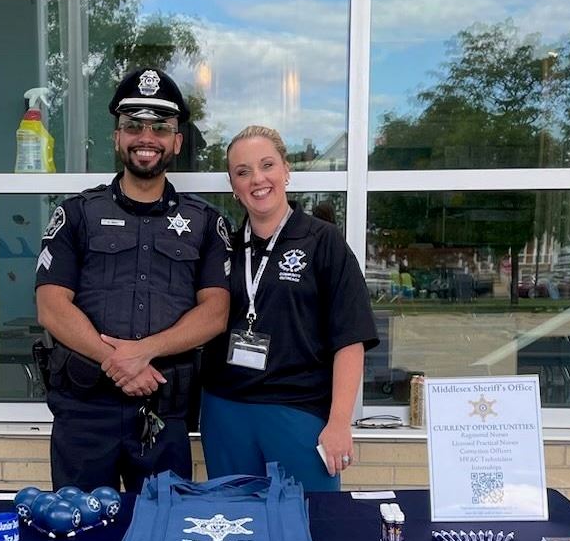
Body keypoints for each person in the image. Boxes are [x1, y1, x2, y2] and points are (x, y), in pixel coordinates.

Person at [34, 67, 230, 491]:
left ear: (177, 141)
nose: (147, 137)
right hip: (84, 414)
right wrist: (119, 361)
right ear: (117, 137)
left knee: (165, 540)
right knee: (80, 537)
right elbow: (51, 306)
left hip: (162, 414)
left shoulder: (204, 222)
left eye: (160, 127)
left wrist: (144, 352)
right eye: (133, 126)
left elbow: (215, 312)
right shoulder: (75, 215)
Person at [199, 125, 379, 491]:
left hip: (299, 411)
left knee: (310, 530)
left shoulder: (323, 241)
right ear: (234, 187)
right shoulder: (225, 247)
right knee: (237, 531)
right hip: (226, 410)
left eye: (267, 165)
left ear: (286, 170)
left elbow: (351, 338)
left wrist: (340, 421)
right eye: (242, 172)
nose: (257, 179)